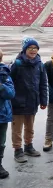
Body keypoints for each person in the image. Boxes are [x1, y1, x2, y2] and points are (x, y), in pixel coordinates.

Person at [11, 37, 48, 163]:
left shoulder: (40, 65)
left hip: (33, 101)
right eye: (30, 48)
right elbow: (9, 82)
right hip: (18, 102)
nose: (33, 50)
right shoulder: (17, 64)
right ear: (25, 49)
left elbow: (43, 83)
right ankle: (17, 150)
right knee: (17, 128)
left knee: (30, 127)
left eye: (35, 48)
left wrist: (43, 100)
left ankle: (28, 146)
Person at [0, 49, 15, 178]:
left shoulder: (5, 75)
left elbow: (11, 94)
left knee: (1, 142)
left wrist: (0, 85)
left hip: (2, 114)